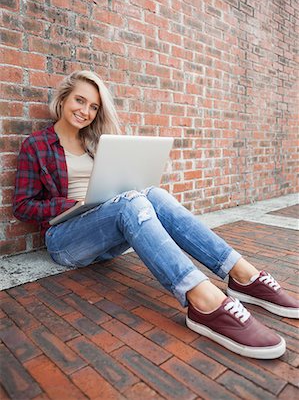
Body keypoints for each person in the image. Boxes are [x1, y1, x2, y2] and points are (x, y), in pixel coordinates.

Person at [13, 70, 298, 360]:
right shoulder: (36, 145)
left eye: (94, 106)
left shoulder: (95, 144)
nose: (85, 111)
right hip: (66, 240)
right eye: (80, 100)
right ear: (63, 99)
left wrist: (106, 197)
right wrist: (72, 203)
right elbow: (23, 206)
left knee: (153, 194)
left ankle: (243, 276)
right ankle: (204, 301)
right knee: (130, 204)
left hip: (105, 234)